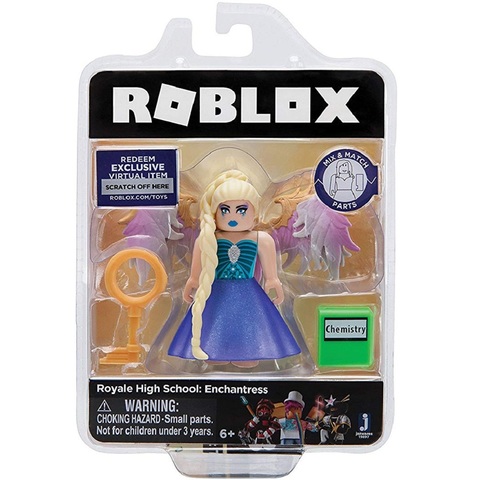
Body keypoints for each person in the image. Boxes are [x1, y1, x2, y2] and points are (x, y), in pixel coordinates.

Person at [168, 170, 301, 367]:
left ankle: (246, 354)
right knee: (214, 326)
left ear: (255, 214)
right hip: (215, 290)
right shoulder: (207, 238)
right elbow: (196, 272)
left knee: (248, 326)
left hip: (249, 292)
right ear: (215, 213)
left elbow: (271, 274)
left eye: (241, 210)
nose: (232, 216)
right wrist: (193, 281)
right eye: (224, 210)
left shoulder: (261, 239)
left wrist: (273, 281)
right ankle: (214, 352)